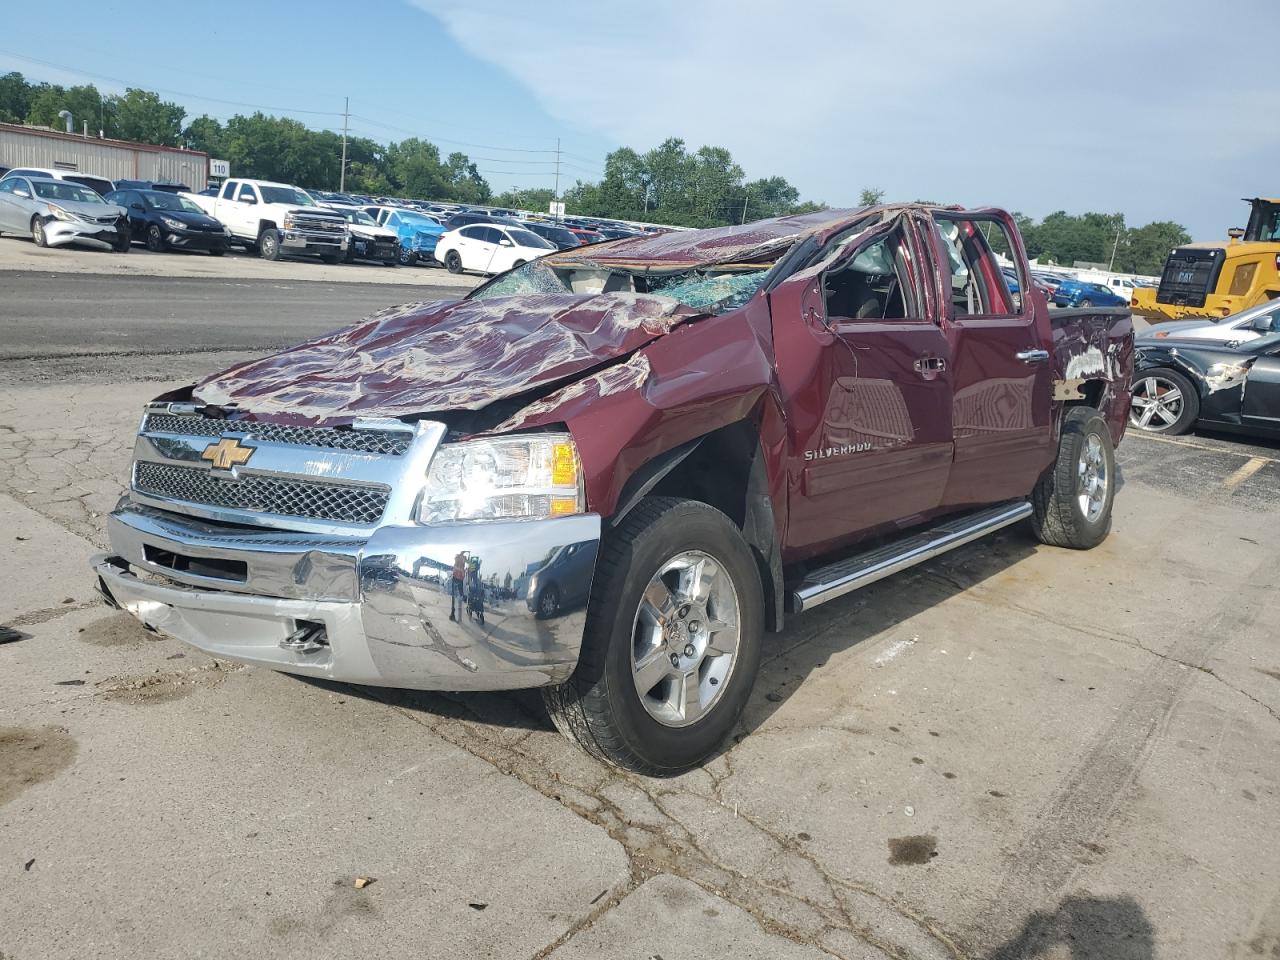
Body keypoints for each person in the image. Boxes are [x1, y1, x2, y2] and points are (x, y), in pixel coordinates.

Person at [449, 550, 467, 621]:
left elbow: (467, 562)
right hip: (456, 578)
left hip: (459, 579)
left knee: (460, 595)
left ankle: (456, 614)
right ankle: (453, 613)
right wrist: (462, 570)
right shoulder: (458, 557)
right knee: (455, 595)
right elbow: (456, 564)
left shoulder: (462, 558)